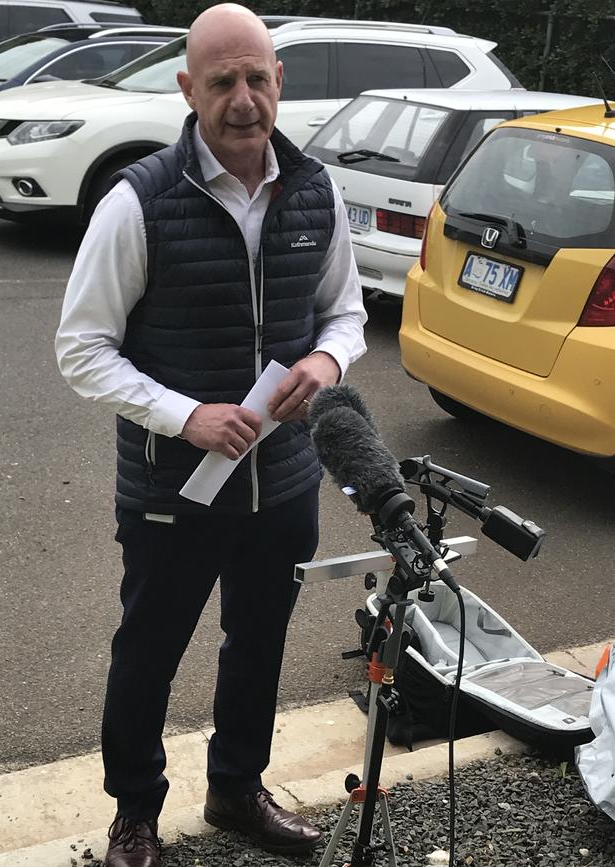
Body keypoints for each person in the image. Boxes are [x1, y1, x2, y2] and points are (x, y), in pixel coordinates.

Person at [55, 4, 367, 866]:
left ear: (279, 82)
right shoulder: (138, 200)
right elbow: (80, 349)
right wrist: (184, 414)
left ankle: (236, 789)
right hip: (171, 488)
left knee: (258, 642)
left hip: (286, 481)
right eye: (221, 81)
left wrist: (329, 365)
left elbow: (347, 311)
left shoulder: (316, 190)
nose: (242, 98)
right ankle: (135, 814)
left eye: (256, 77)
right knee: (148, 651)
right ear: (188, 88)